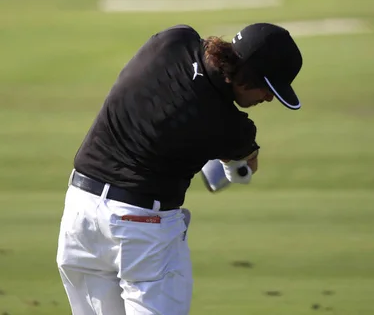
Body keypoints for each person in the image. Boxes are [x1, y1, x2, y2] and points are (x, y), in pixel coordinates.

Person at [56, 22, 303, 315]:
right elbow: (243, 162)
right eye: (267, 87)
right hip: (140, 230)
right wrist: (241, 157)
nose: (269, 98)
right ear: (247, 75)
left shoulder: (174, 40)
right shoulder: (230, 128)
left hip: (79, 214)